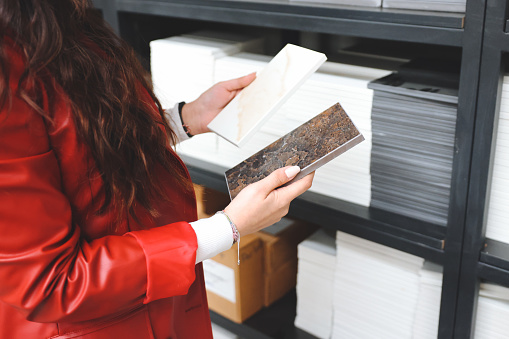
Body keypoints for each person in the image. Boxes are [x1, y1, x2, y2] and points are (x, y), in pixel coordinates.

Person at [0, 0, 314, 338]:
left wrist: (185, 119)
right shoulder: (8, 72)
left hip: (157, 301)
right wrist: (227, 228)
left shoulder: (60, 18)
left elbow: (79, 154)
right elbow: (51, 283)